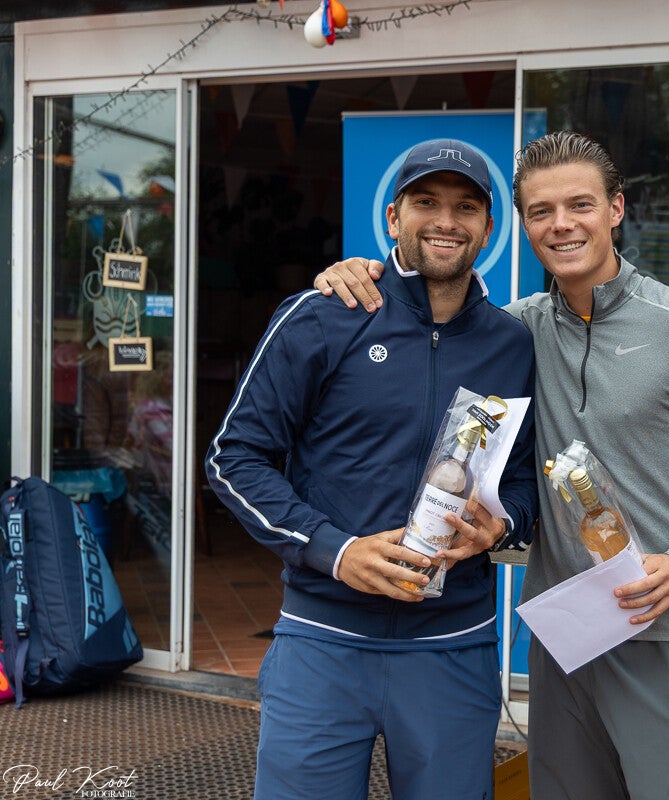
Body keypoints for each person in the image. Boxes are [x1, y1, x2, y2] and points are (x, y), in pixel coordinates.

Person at [316, 130, 669, 800]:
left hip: (660, 625)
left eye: (580, 205)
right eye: (541, 211)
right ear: (522, 224)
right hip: (564, 629)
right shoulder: (516, 332)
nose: (561, 224)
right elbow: (429, 320)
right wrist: (356, 275)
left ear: (616, 209)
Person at [205, 138, 538, 800]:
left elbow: (525, 481)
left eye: (466, 207)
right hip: (323, 640)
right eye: (426, 202)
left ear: (488, 229)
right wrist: (334, 550)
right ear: (393, 218)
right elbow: (234, 456)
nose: (446, 221)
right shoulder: (324, 316)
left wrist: (501, 525)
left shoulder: (512, 344)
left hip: (454, 644)